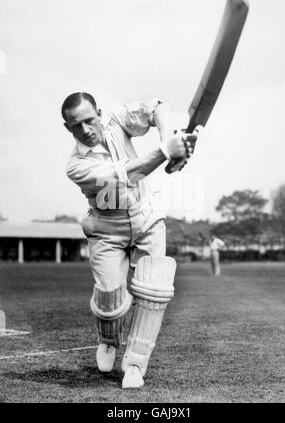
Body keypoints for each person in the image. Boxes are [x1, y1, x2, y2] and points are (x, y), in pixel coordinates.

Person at [62, 93, 197, 388]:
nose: (85, 129)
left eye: (89, 119)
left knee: (153, 291)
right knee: (110, 298)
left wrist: (169, 138)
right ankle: (109, 340)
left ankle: (135, 364)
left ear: (99, 112)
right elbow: (128, 174)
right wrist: (166, 150)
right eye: (76, 125)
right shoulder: (75, 166)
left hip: (146, 216)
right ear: (67, 128)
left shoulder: (116, 120)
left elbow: (156, 108)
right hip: (106, 227)